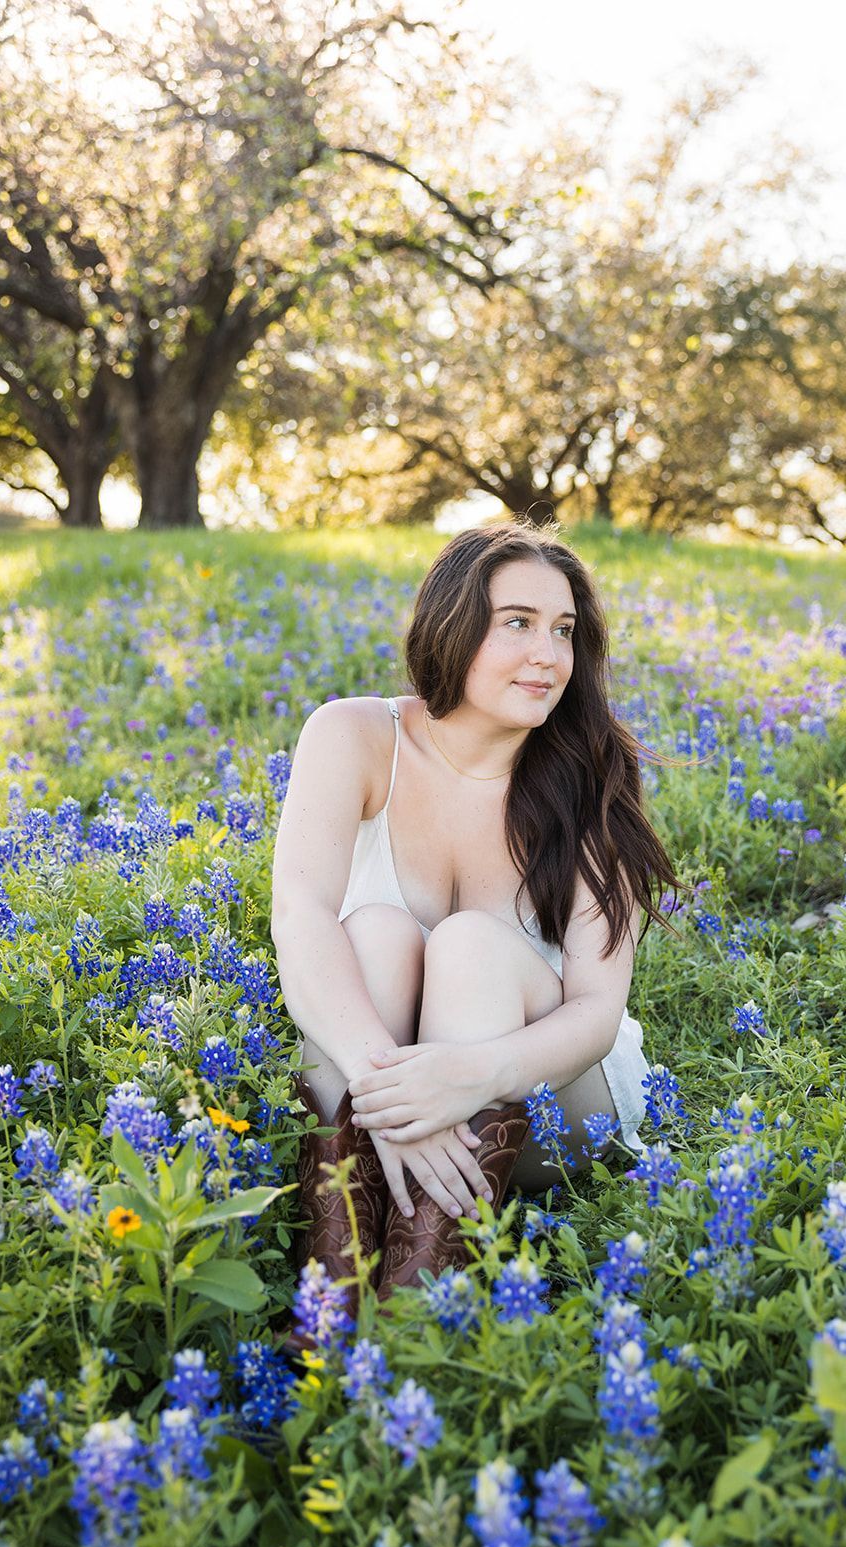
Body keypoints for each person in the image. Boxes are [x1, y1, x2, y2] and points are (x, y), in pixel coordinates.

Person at [270, 521, 680, 1349]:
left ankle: (420, 1321)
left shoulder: (585, 776)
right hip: (380, 1087)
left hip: (547, 1102)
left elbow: (596, 1013)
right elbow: (300, 915)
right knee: (374, 932)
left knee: (468, 944)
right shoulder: (352, 735)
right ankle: (332, 1306)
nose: (548, 655)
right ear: (452, 626)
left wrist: (468, 1076)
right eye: (517, 622)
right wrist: (388, 1092)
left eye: (564, 631)